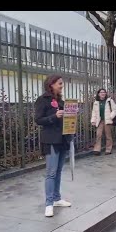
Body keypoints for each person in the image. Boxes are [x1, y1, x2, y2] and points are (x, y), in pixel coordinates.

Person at [34, 74, 73, 218]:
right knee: (51, 172)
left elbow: (66, 118)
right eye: (59, 83)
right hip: (50, 140)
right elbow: (38, 120)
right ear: (51, 84)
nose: (62, 86)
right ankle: (49, 203)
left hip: (62, 139)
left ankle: (56, 198)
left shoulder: (60, 101)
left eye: (62, 83)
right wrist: (53, 117)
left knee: (58, 171)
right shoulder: (42, 100)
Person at [91, 88, 116, 156]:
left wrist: (110, 116)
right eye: (101, 92)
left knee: (108, 135)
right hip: (100, 121)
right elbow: (94, 112)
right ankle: (97, 149)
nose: (103, 93)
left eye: (104, 92)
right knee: (98, 135)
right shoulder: (96, 102)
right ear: (98, 94)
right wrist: (93, 120)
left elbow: (115, 110)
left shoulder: (109, 101)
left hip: (107, 120)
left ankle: (108, 149)